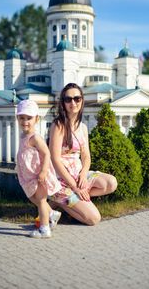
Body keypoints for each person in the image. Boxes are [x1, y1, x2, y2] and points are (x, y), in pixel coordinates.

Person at [49, 83, 117, 226]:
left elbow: (86, 156)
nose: (73, 102)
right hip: (61, 180)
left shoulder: (83, 127)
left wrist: (83, 175)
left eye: (77, 98)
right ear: (63, 103)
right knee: (93, 219)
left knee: (111, 183)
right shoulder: (58, 125)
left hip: (79, 176)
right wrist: (75, 187)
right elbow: (55, 160)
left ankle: (72, 200)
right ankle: (60, 201)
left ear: (81, 100)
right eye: (68, 99)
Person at [16, 99, 62, 238]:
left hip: (39, 175)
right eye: (22, 118)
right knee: (33, 198)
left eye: (29, 118)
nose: (25, 121)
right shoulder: (23, 135)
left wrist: (43, 171)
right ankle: (52, 214)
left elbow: (47, 153)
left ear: (37, 119)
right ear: (17, 118)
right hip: (28, 176)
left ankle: (44, 229)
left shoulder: (35, 138)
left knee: (41, 201)